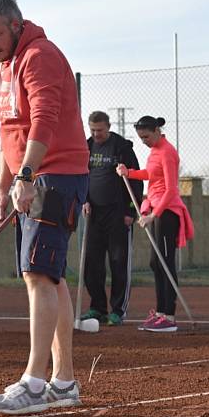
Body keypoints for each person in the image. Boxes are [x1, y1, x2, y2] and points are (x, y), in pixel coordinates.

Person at [0, 0, 89, 414]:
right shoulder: (3, 68)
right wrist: (4, 186)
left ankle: (34, 384)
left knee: (39, 275)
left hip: (55, 175)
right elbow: (12, 133)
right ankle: (63, 382)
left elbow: (42, 117)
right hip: (33, 175)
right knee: (50, 278)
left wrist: (27, 176)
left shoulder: (39, 56)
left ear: (17, 25)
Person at [116, 116, 194, 333]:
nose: (144, 141)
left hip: (168, 212)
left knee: (165, 262)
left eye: (146, 137)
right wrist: (129, 173)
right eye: (141, 138)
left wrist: (153, 215)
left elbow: (170, 189)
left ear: (157, 131)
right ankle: (160, 312)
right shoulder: (155, 152)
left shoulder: (168, 152)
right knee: (155, 262)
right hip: (157, 211)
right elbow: (151, 174)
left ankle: (169, 315)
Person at [79, 111, 143, 327]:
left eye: (100, 130)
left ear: (108, 127)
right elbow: (81, 177)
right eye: (93, 130)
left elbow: (135, 181)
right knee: (92, 263)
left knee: (118, 262)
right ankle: (97, 307)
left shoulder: (122, 148)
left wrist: (130, 212)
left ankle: (117, 310)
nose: (96, 134)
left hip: (117, 215)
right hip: (94, 215)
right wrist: (83, 200)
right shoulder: (86, 147)